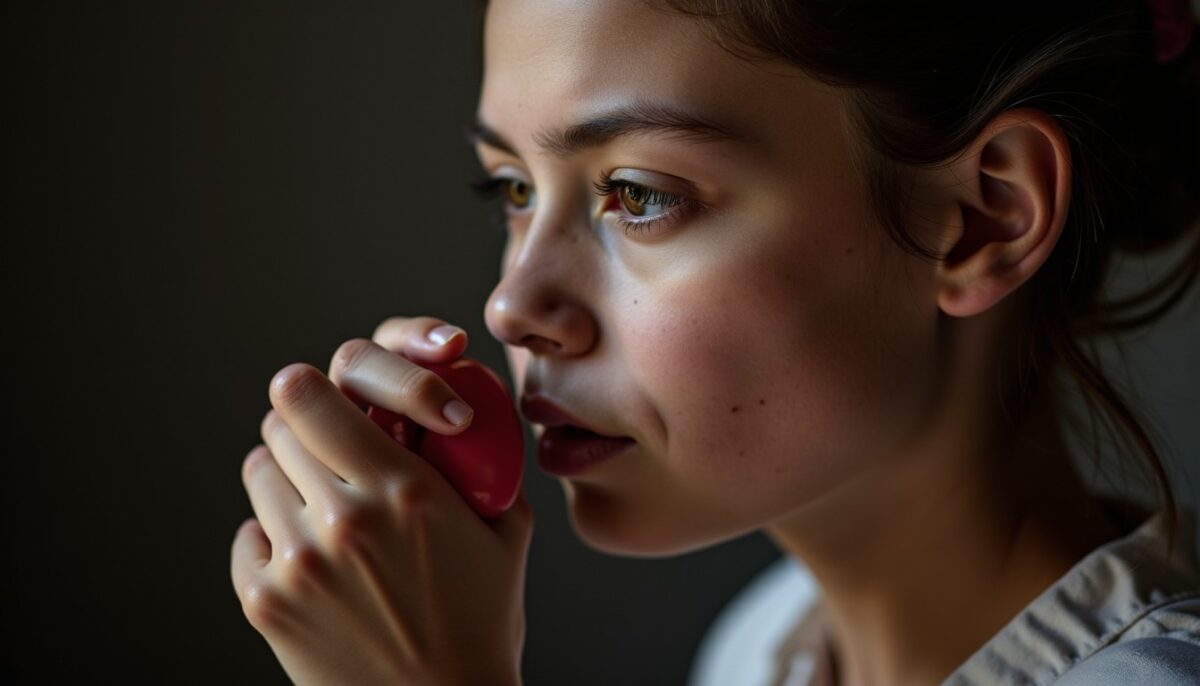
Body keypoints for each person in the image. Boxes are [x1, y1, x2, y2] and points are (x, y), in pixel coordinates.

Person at [229, 1, 1200, 683]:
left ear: (984, 217)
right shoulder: (761, 649)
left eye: (639, 194)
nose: (510, 303)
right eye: (514, 188)